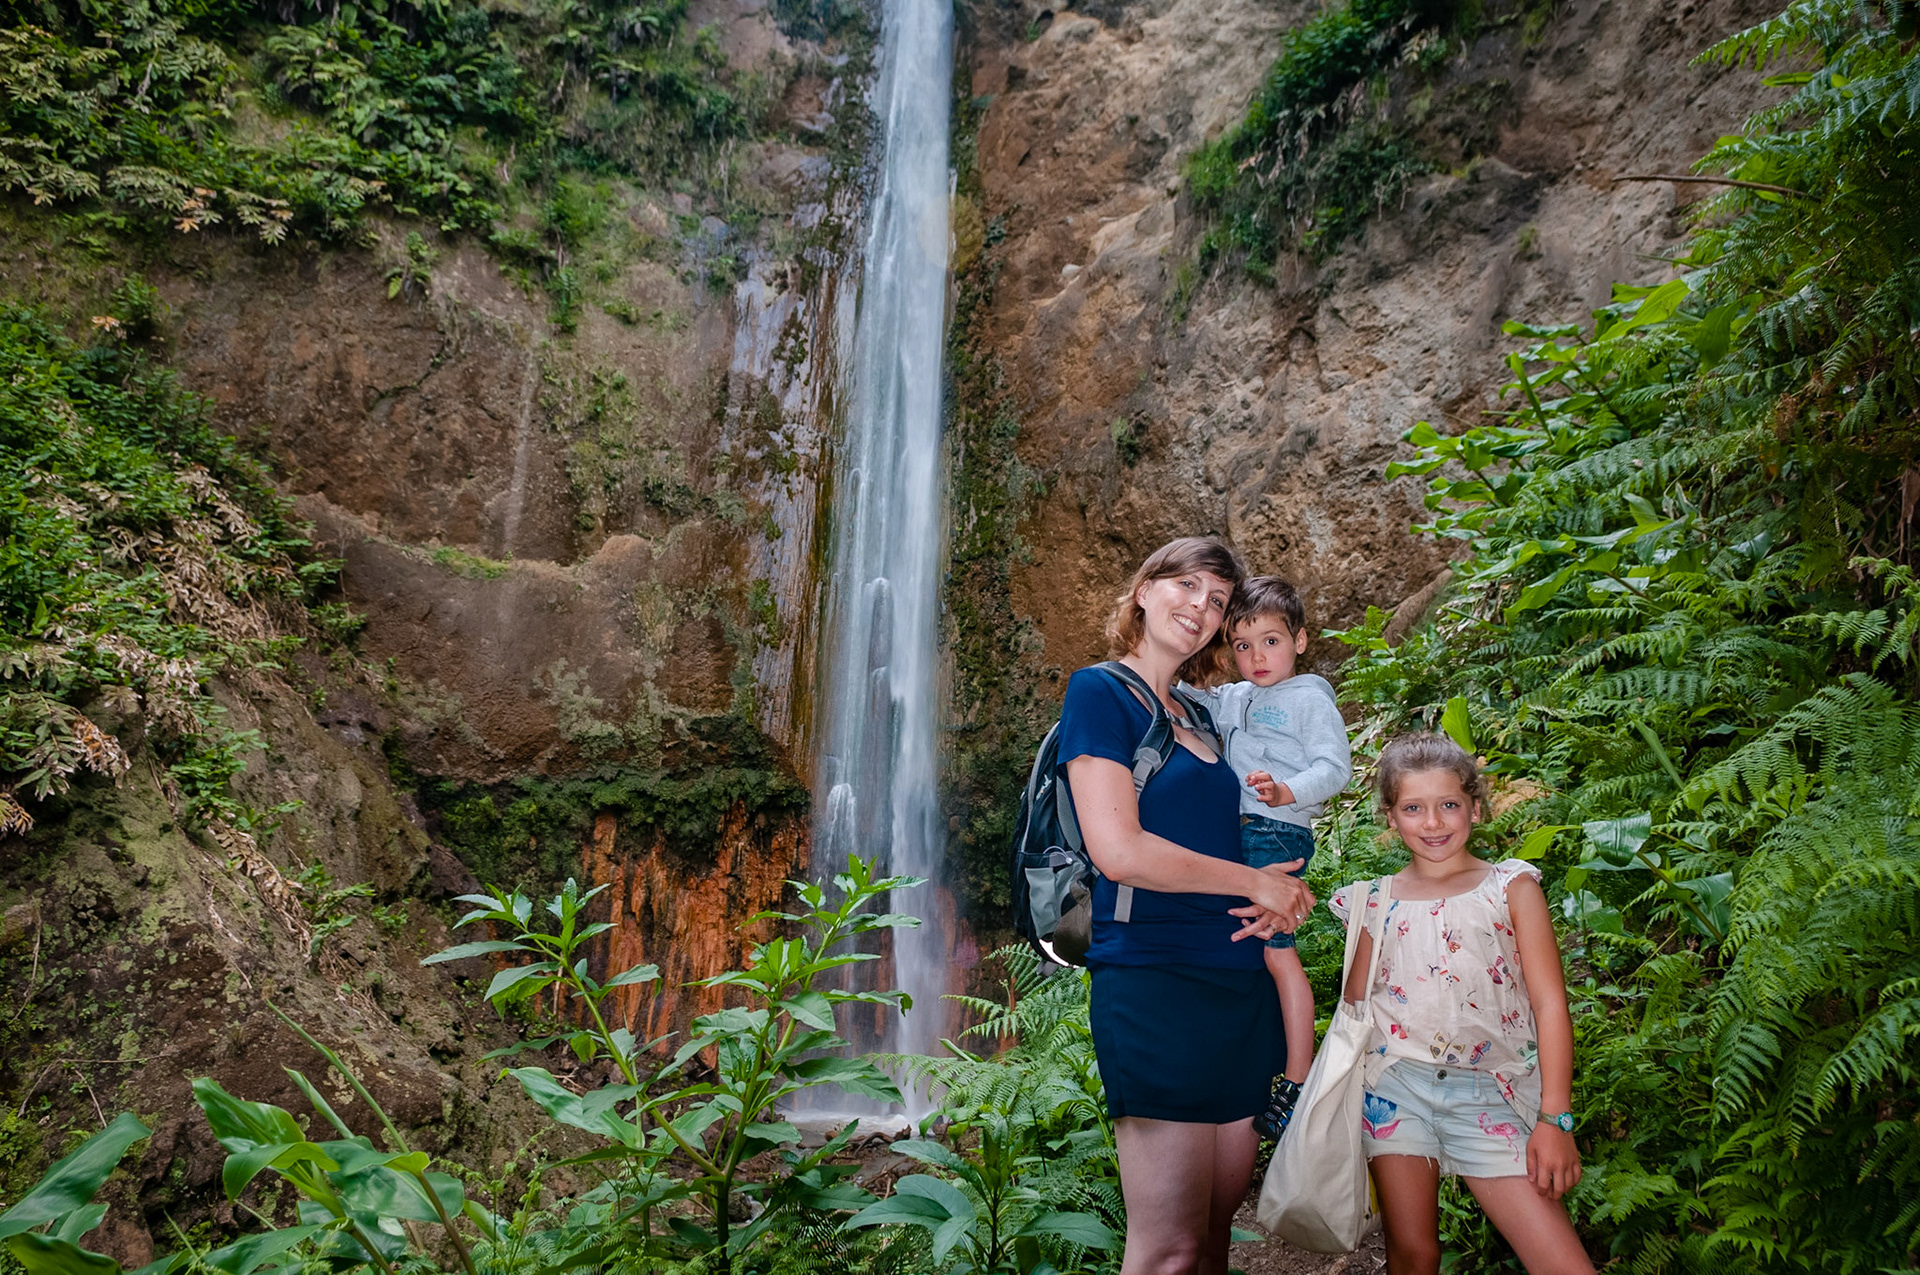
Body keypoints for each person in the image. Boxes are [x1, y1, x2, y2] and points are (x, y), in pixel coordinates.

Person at [1058, 537, 1317, 1275]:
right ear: (1145, 589)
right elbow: (1121, 850)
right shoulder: (1099, 693)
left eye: (1217, 602)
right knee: (1168, 1248)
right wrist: (1251, 883)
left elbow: (1248, 829)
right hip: (1153, 980)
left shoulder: (1205, 716)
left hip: (1238, 987)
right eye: (1188, 586)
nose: (1200, 608)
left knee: (1209, 1241)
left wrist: (1282, 892)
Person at [1329, 734, 1593, 1275]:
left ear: (1474, 806)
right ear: (1390, 817)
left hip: (1489, 1092)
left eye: (1448, 804)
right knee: (1414, 1254)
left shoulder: (1510, 886)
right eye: (1413, 808)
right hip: (1395, 1087)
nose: (1433, 822)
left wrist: (1555, 1119)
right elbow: (1355, 1009)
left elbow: (1549, 1005)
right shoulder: (1375, 898)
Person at [1183, 577, 1351, 1140]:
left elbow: (1335, 769)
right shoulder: (1234, 696)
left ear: (1300, 641)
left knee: (1279, 955)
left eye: (1271, 642)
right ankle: (1241, 1059)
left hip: (1275, 833)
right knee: (1245, 948)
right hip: (1237, 836)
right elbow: (1188, 698)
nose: (1257, 657)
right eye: (1244, 645)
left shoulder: (1307, 697)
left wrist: (1287, 790)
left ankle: (1297, 1079)